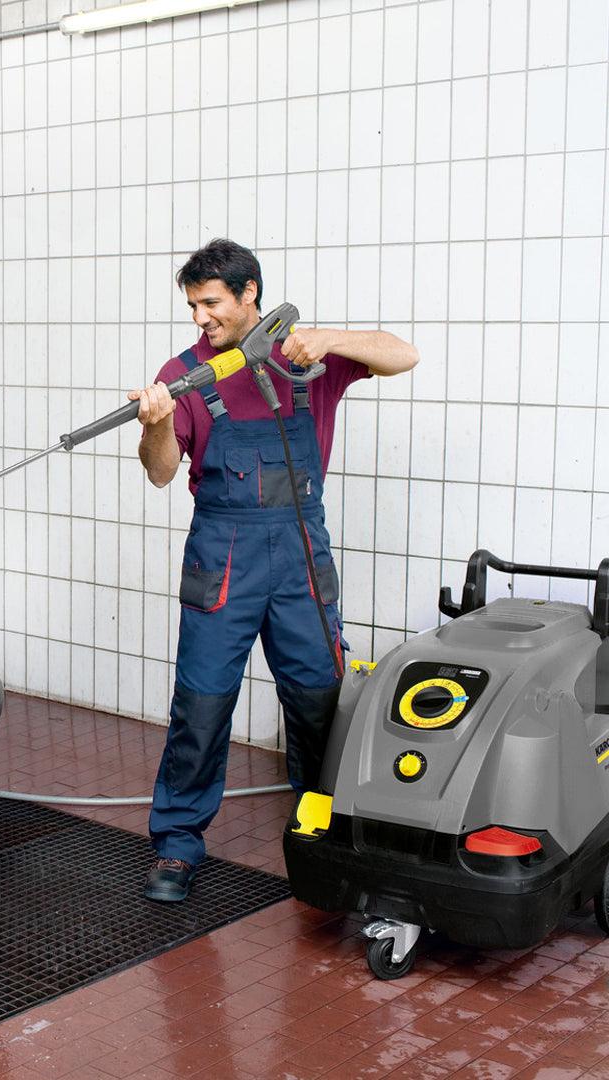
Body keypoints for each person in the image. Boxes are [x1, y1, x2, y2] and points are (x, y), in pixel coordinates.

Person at [130, 238, 418, 902]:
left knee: (318, 700)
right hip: (222, 555)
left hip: (300, 558)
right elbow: (162, 473)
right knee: (201, 704)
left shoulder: (304, 359)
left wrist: (327, 337)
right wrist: (154, 424)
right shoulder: (184, 373)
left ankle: (318, 832)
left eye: (211, 303)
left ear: (249, 293)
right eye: (193, 305)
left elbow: (405, 354)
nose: (200, 318)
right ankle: (176, 845)